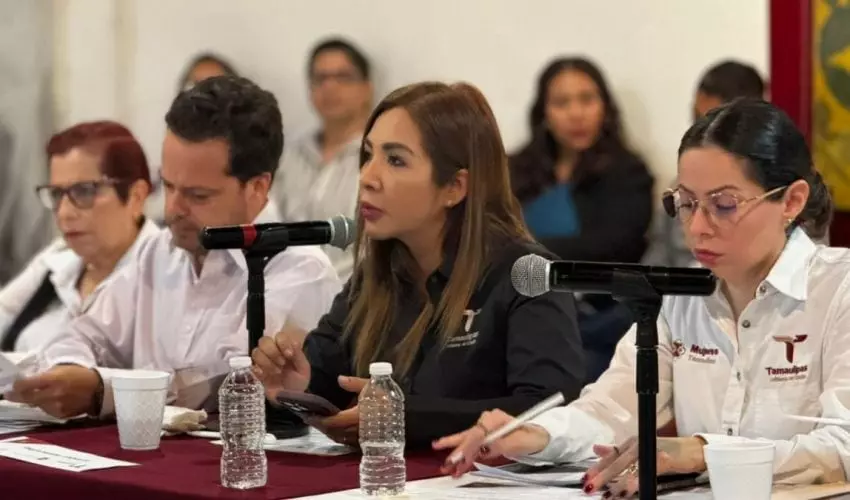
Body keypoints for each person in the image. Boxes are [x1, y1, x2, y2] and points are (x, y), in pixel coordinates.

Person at [436, 99, 848, 497]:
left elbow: (843, 446)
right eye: (686, 203)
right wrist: (539, 434)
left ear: (791, 201)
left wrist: (704, 452)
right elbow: (611, 410)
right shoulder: (682, 295)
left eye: (724, 204)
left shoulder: (839, 288)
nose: (697, 227)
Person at [253, 81, 585, 449]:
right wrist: (297, 386)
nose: (367, 177)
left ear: (455, 187)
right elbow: (328, 376)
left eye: (395, 160)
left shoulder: (526, 273)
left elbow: (549, 411)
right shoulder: (376, 275)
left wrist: (407, 417)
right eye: (368, 155)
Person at [6, 76, 341, 419]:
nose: (173, 209)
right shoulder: (158, 253)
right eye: (168, 186)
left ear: (257, 187)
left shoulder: (300, 272)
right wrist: (70, 370)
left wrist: (100, 389)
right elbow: (81, 334)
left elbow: (219, 387)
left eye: (198, 195)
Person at [511, 57, 654, 383]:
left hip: (598, 319)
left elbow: (615, 246)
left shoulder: (628, 173)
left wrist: (528, 249)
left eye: (587, 99)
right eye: (562, 103)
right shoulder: (514, 171)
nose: (576, 113)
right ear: (544, 113)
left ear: (605, 107)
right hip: (523, 311)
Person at [0, 121, 157, 353]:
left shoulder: (168, 278)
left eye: (84, 191)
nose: (64, 213)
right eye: (57, 194)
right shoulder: (58, 262)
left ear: (136, 197)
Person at [644, 60, 766, 268]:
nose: (696, 226)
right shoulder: (680, 186)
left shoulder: (774, 182)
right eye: (697, 119)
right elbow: (657, 254)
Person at [273, 38, 373, 281]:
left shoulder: (377, 157)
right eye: (320, 79)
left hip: (354, 291)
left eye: (343, 77)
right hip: (286, 289)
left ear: (366, 88)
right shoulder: (289, 155)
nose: (330, 87)